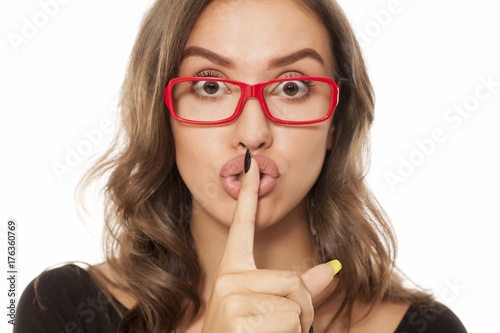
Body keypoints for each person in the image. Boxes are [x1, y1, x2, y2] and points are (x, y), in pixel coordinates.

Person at [14, 0, 467, 332]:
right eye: (210, 86)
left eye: (292, 88)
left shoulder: (425, 329)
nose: (253, 132)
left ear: (336, 121)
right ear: (162, 114)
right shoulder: (64, 309)